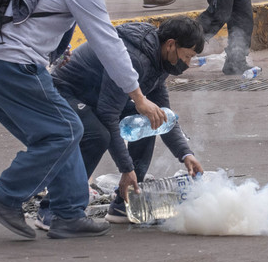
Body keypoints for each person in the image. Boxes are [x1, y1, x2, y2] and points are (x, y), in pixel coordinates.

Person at [0, 0, 168, 240]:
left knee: (59, 135)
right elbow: (107, 42)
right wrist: (138, 96)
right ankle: (6, 197)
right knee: (67, 130)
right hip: (11, 66)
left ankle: (69, 214)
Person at [34, 17, 206, 230]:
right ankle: (54, 208)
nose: (187, 64)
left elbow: (163, 115)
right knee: (96, 135)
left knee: (151, 119)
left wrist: (185, 154)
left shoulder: (160, 59)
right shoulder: (136, 58)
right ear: (171, 44)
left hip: (98, 98)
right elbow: (108, 114)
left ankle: (124, 202)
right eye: (187, 56)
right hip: (65, 92)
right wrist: (126, 168)